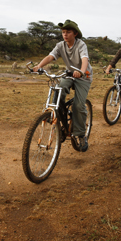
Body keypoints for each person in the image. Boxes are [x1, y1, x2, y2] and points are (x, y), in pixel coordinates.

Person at [32, 19, 93, 148]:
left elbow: (84, 59)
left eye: (68, 32)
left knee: (78, 105)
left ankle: (81, 135)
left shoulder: (81, 45)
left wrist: (81, 71)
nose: (65, 34)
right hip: (69, 74)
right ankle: (59, 118)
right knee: (58, 89)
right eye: (63, 32)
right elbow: (51, 56)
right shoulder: (60, 45)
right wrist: (39, 66)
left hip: (83, 76)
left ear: (75, 33)